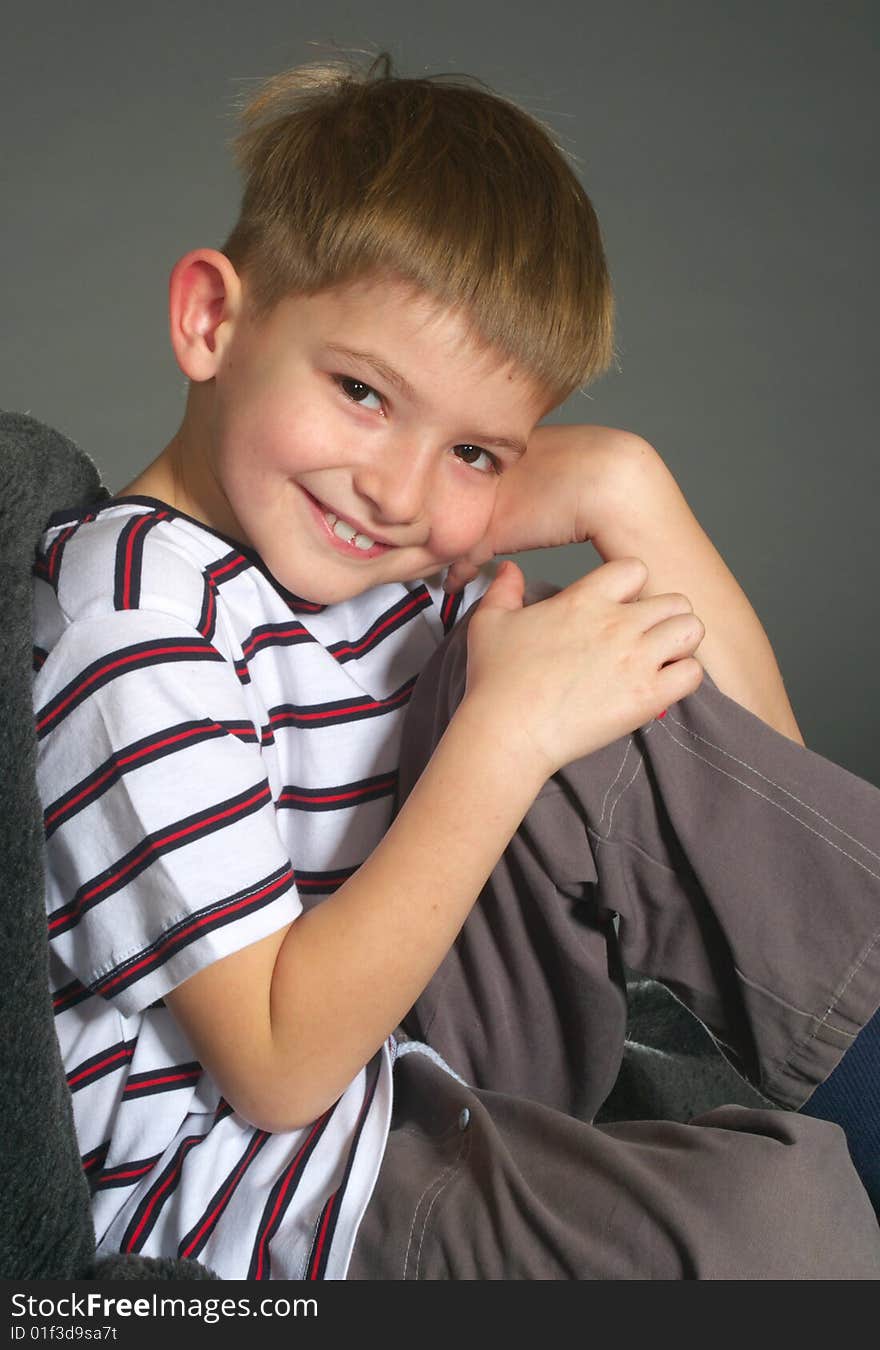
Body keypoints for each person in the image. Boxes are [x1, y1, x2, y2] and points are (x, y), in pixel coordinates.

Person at [32, 50, 880, 1281]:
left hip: (396, 1047)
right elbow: (273, 1069)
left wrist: (622, 486)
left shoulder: (371, 555)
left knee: (600, 703)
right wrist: (503, 732)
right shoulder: (131, 624)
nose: (396, 491)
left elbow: (766, 809)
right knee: (782, 1230)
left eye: (476, 452)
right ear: (214, 321)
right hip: (247, 1205)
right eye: (363, 392)